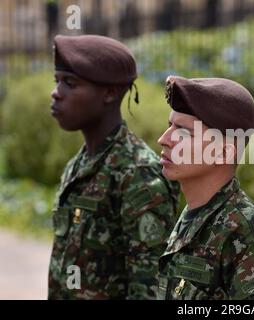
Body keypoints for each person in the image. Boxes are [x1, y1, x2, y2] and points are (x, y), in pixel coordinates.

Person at [48, 35, 179, 299]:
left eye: (70, 83)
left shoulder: (138, 173)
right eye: (57, 81)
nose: (56, 92)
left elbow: (149, 288)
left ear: (109, 93)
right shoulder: (81, 163)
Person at [156, 76, 254, 299]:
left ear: (223, 151)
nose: (164, 139)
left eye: (184, 132)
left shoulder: (248, 233)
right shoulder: (198, 216)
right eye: (169, 126)